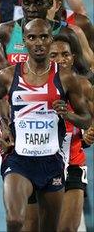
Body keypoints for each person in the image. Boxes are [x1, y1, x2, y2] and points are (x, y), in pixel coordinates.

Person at [0, 18, 91, 232]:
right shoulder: (8, 75)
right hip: (18, 159)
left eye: (43, 37)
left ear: (50, 40)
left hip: (52, 162)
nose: (38, 42)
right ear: (25, 41)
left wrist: (68, 115)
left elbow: (85, 118)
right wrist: (2, 123)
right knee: (14, 221)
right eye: (31, 37)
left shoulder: (66, 78)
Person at [49, 34, 93, 232]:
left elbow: (91, 121)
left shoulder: (84, 86)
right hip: (39, 163)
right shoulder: (33, 85)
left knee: (67, 228)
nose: (60, 59)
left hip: (74, 162)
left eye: (65, 54)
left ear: (73, 58)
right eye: (54, 55)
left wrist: (89, 134)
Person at [0, 0, 81, 66]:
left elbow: (84, 72)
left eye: (38, 3)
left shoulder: (67, 34)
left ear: (50, 4)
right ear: (21, 3)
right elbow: (0, 71)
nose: (32, 9)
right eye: (26, 3)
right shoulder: (6, 31)